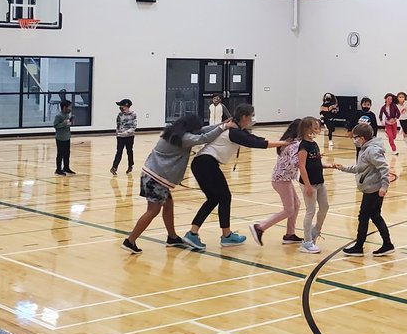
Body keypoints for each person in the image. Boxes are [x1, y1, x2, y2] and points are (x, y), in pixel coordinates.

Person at [184, 105, 293, 251]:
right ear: (244, 117)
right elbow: (256, 143)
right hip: (206, 163)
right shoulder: (234, 132)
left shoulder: (237, 130)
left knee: (214, 199)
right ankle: (226, 236)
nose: (252, 119)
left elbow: (253, 138)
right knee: (225, 197)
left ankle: (194, 233)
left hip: (202, 164)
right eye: (251, 116)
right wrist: (284, 143)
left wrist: (280, 142)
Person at [121, 114, 231, 254]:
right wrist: (223, 127)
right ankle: (130, 240)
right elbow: (203, 138)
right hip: (156, 179)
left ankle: (172, 237)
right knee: (153, 211)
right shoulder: (183, 138)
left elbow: (202, 130)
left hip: (151, 174)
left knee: (168, 205)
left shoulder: (172, 131)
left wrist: (221, 124)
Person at [329, 122, 394, 257]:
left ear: (362, 138)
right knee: (375, 216)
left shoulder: (372, 150)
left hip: (373, 190)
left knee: (364, 216)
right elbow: (360, 168)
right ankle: (387, 244)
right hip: (370, 188)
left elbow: (384, 168)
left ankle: (359, 247)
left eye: (355, 137)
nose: (354, 140)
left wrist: (384, 186)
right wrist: (343, 168)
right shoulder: (366, 149)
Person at [249, 119, 304, 246]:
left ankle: (290, 234)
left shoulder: (290, 141)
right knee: (289, 209)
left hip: (283, 179)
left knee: (296, 205)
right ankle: (260, 227)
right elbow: (295, 162)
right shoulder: (294, 145)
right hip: (281, 180)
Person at [296, 117, 328, 254]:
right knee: (310, 211)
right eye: (315, 127)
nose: (318, 129)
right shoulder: (303, 146)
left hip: (320, 181)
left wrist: (328, 165)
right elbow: (302, 166)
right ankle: (307, 241)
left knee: (325, 206)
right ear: (307, 129)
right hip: (309, 184)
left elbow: (315, 163)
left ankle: (316, 231)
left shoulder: (314, 144)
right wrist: (308, 186)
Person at [110, 98, 138, 175]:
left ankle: (130, 165)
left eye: (122, 106)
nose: (121, 108)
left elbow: (134, 126)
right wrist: (118, 133)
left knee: (129, 151)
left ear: (126, 106)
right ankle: (114, 167)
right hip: (120, 136)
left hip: (129, 136)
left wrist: (127, 132)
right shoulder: (120, 115)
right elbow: (118, 124)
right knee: (119, 151)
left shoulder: (133, 114)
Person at [53, 100, 74, 176]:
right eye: (69, 107)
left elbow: (67, 125)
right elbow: (56, 126)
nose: (70, 109)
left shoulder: (67, 115)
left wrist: (70, 121)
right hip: (60, 138)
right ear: (64, 107)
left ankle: (66, 167)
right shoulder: (59, 116)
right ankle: (58, 169)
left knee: (67, 153)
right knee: (60, 154)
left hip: (67, 137)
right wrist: (63, 123)